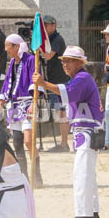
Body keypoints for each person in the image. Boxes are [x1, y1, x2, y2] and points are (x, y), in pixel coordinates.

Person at [32, 46, 102, 218]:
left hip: (88, 130)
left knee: (82, 173)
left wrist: (44, 84)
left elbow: (68, 93)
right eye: (64, 61)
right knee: (87, 174)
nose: (65, 64)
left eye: (69, 61)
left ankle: (84, 212)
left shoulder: (82, 78)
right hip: (85, 130)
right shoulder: (79, 78)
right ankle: (92, 210)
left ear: (80, 62)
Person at [0, 34, 39, 183]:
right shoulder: (13, 62)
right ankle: (24, 176)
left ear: (16, 46)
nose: (6, 49)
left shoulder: (31, 60)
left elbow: (36, 81)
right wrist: (0, 105)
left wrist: (34, 101)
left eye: (8, 45)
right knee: (17, 142)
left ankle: (36, 175)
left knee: (28, 140)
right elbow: (7, 83)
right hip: (14, 105)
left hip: (27, 103)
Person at [40, 15, 70, 152]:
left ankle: (64, 143)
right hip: (53, 80)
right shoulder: (49, 39)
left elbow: (48, 56)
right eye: (43, 25)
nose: (45, 28)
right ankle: (62, 143)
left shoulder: (57, 39)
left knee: (62, 112)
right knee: (59, 112)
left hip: (60, 81)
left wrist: (37, 48)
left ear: (53, 25)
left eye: (47, 25)